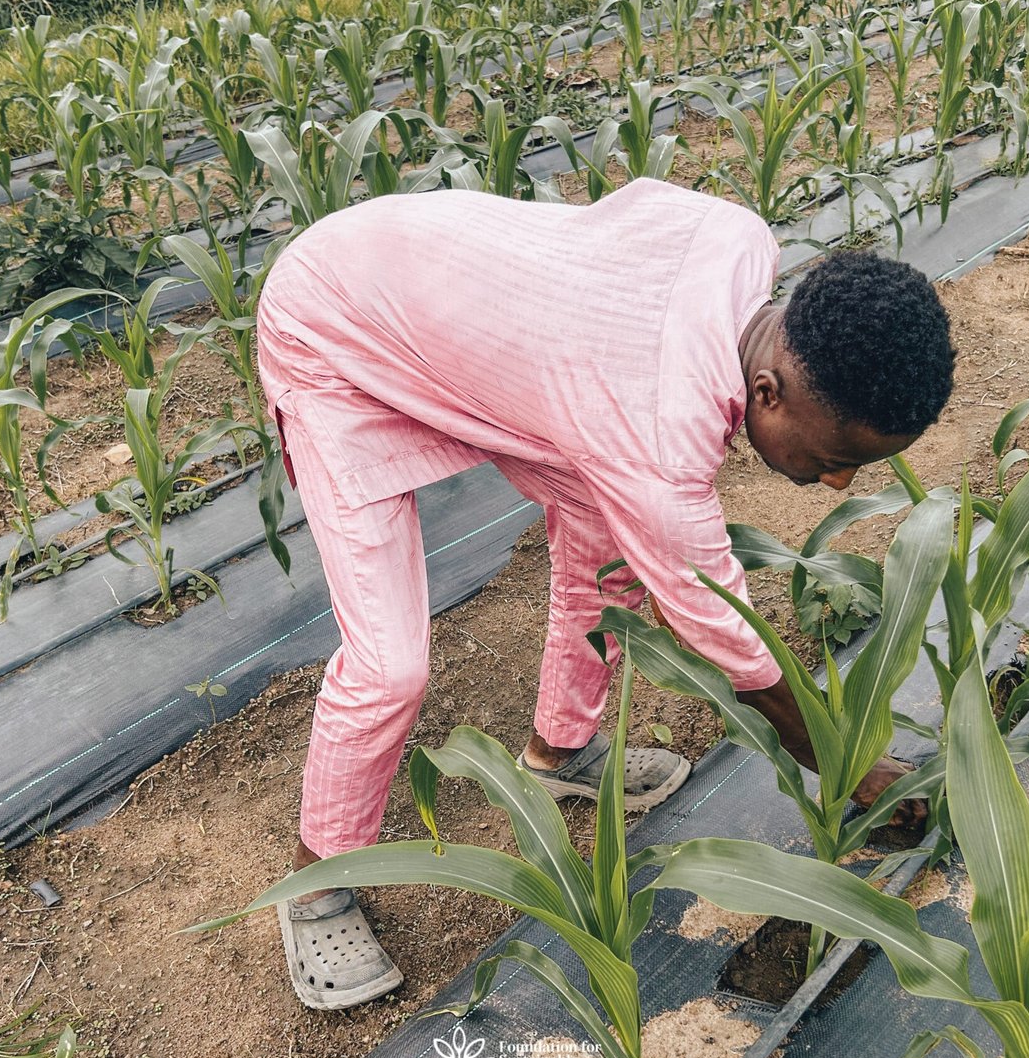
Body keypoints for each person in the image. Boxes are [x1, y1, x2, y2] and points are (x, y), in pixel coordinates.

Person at [255, 178, 955, 1010]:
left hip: (441, 298)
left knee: (608, 532)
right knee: (390, 666)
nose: (841, 480)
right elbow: (720, 634)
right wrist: (851, 765)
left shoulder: (740, 240)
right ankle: (318, 882)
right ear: (766, 394)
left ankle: (560, 751)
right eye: (840, 453)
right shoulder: (661, 432)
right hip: (335, 326)